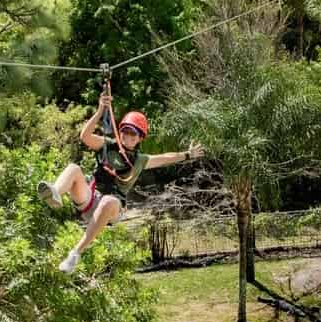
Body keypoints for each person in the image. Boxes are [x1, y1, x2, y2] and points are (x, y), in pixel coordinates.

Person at [37, 94, 204, 273]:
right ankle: (55, 192)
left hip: (112, 208)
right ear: (120, 130)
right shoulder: (107, 145)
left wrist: (187, 155)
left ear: (140, 138)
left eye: (134, 134)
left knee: (109, 200)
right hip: (90, 198)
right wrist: (100, 110)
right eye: (125, 131)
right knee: (73, 168)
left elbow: (165, 158)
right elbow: (85, 136)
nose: (128, 136)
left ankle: (75, 254)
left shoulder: (140, 160)